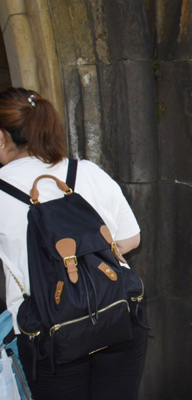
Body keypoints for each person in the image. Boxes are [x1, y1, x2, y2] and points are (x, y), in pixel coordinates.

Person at [0, 87, 146, 400]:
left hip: (50, 334)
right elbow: (130, 240)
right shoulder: (87, 172)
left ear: (2, 138)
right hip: (117, 314)